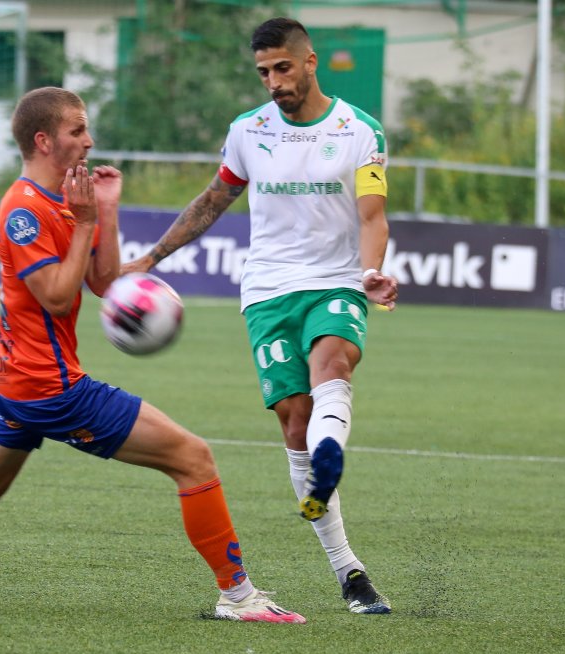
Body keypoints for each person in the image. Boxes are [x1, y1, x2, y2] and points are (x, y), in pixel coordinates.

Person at [0, 86, 305, 624]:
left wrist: (104, 210)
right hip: (48, 386)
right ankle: (239, 597)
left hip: (20, 379)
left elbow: (105, 283)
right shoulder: (23, 210)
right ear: (43, 141)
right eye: (77, 130)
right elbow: (58, 297)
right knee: (193, 458)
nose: (89, 140)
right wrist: (85, 222)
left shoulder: (65, 198)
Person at [122, 18, 399, 615]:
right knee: (296, 425)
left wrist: (371, 271)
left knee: (332, 363)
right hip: (268, 291)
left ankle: (331, 463)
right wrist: (151, 257)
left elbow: (372, 214)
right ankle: (348, 570)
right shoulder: (248, 131)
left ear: (310, 62)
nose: (274, 81)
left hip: (337, 280)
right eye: (264, 72)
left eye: (283, 68)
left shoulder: (360, 130)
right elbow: (213, 200)